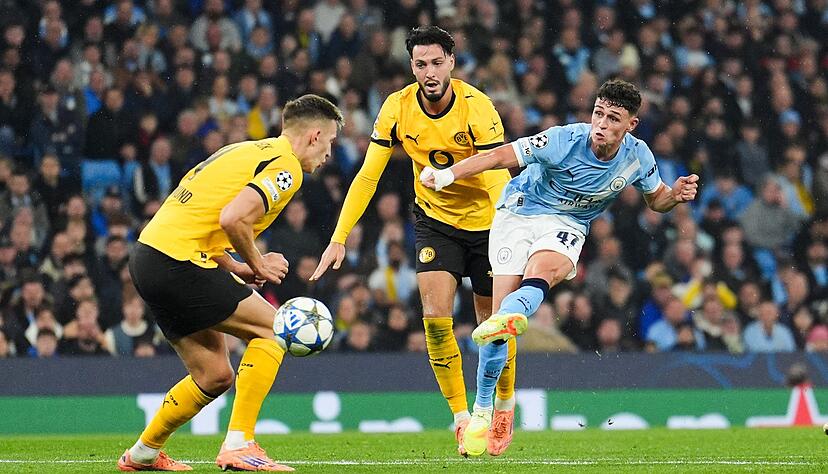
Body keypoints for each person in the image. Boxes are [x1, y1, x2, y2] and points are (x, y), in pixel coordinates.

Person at [421, 79, 699, 456]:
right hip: (516, 213)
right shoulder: (564, 139)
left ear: (630, 125)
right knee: (496, 330)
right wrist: (449, 174)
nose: (601, 123)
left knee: (541, 276)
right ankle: (492, 407)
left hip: (566, 225)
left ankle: (490, 400)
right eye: (598, 113)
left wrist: (675, 196)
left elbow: (656, 200)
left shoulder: (639, 156)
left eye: (613, 118)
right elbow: (501, 156)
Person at [310, 26, 516, 457]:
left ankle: (503, 406)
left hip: (489, 224)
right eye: (420, 64)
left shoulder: (478, 107)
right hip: (435, 221)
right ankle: (462, 418)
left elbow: (498, 173)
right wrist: (339, 237)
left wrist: (512, 233)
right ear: (411, 67)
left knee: (491, 323)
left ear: (451, 63)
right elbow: (368, 175)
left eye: (436, 62)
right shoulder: (397, 107)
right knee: (434, 314)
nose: (429, 72)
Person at [117, 94, 342, 472]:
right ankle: (240, 443)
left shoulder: (244, 150)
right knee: (275, 331)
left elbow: (201, 217)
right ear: (315, 135)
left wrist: (236, 267)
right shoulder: (286, 166)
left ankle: (143, 453)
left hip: (149, 257)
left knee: (214, 375)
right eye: (331, 143)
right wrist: (258, 263)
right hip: (177, 261)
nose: (329, 154)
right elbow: (233, 218)